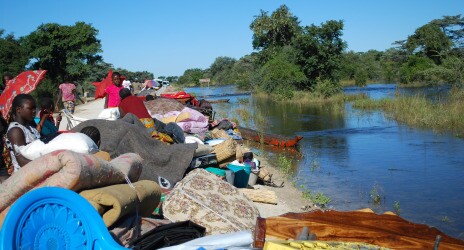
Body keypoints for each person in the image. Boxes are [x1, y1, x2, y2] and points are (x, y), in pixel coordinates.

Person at [5, 94, 42, 173]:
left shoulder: (29, 127)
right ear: (18, 109)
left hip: (36, 170)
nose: (34, 111)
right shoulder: (16, 130)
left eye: (35, 108)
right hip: (26, 175)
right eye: (30, 108)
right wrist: (47, 165)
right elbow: (22, 160)